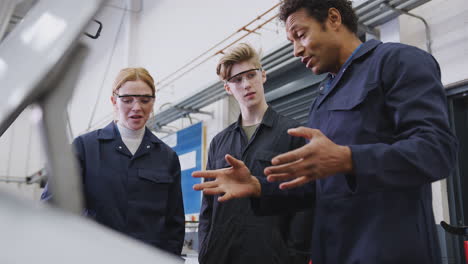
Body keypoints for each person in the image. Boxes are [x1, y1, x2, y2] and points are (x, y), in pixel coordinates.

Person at [193, 1, 458, 263]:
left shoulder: (397, 62)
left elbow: (436, 151)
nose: (296, 50)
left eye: (300, 35)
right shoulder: (322, 99)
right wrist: (258, 187)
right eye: (291, 42)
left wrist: (349, 159)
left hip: (387, 250)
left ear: (333, 19)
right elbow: (315, 188)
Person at [42, 67, 185, 255]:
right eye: (127, 100)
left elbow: (174, 224)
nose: (137, 107)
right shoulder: (85, 148)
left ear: (153, 102)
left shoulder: (166, 157)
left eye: (144, 100)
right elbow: (52, 205)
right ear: (113, 101)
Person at [197, 43, 312, 264]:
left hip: (271, 257)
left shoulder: (293, 133)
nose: (246, 84)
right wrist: (205, 251)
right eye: (237, 80)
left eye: (251, 75)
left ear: (263, 76)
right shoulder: (219, 142)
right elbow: (208, 209)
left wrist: (295, 257)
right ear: (228, 88)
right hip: (221, 257)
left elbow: (304, 208)